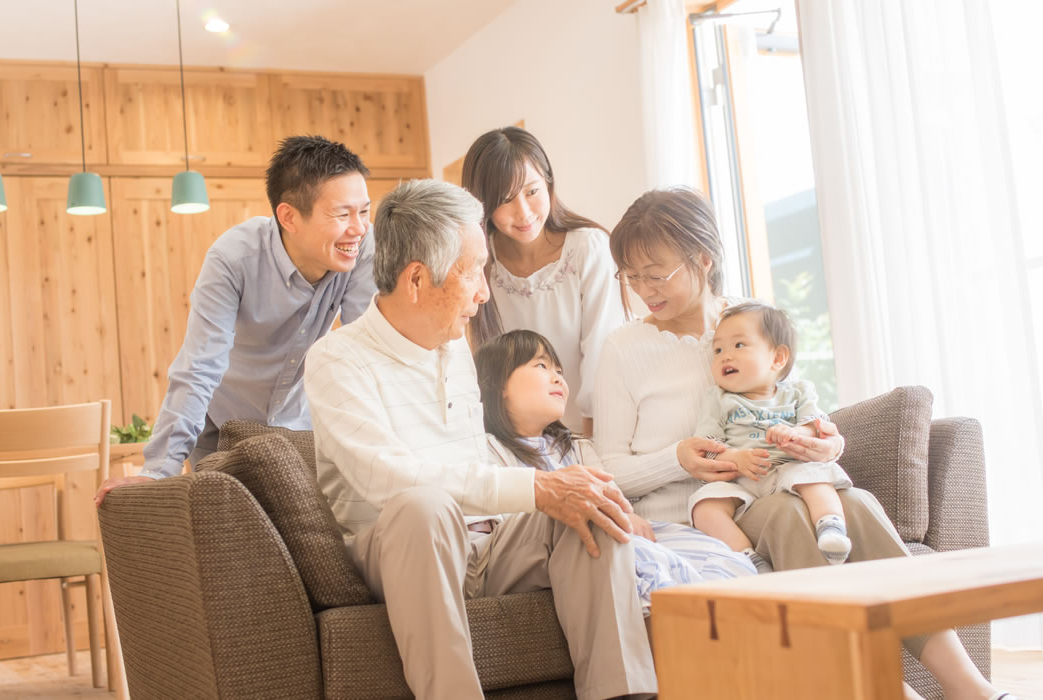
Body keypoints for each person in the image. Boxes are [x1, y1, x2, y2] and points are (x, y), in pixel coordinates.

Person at [593, 186, 1014, 700]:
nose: (641, 289)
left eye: (654, 273)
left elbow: (796, 407)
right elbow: (610, 469)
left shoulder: (750, 323)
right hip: (706, 517)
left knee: (854, 502)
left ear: (702, 259)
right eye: (630, 276)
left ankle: (968, 685)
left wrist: (825, 444)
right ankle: (888, 688)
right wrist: (677, 458)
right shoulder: (624, 349)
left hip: (778, 484)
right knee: (793, 515)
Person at [303, 179, 655, 700]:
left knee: (590, 504)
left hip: (485, 547)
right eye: (473, 273)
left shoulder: (454, 350)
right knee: (425, 507)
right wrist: (535, 487)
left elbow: (479, 471)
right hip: (400, 548)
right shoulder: (336, 359)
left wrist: (563, 490)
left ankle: (622, 695)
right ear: (418, 279)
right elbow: (384, 479)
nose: (485, 292)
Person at [94, 135, 376, 505]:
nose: (359, 228)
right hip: (220, 429)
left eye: (364, 211)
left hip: (298, 425)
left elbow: (365, 352)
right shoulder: (233, 259)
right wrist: (156, 473)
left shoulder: (358, 250)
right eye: (342, 214)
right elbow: (199, 367)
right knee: (227, 541)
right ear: (289, 216)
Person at [474, 328, 756, 613]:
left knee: (715, 554)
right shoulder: (487, 450)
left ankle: (725, 621)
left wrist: (628, 515)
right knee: (649, 564)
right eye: (541, 366)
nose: (558, 377)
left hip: (620, 533)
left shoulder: (576, 446)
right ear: (499, 385)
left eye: (558, 369)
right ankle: (683, 621)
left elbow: (613, 494)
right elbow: (510, 530)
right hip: (571, 544)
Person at [462, 126, 624, 435]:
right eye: (505, 200)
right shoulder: (480, 263)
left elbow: (603, 355)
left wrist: (587, 445)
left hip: (593, 432)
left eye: (532, 191)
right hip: (517, 443)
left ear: (548, 182)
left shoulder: (588, 248)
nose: (523, 212)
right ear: (482, 204)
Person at [689, 302, 853, 573]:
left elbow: (817, 427)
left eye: (739, 345)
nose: (725, 356)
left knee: (815, 477)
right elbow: (706, 446)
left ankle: (831, 527)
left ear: (777, 358)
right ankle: (748, 558)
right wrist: (735, 459)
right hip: (741, 479)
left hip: (790, 466)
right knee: (704, 507)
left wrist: (796, 433)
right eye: (718, 350)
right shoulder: (717, 399)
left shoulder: (799, 392)